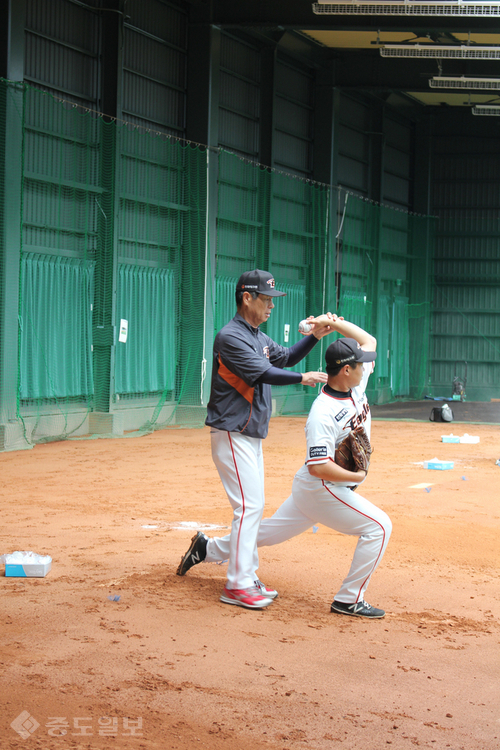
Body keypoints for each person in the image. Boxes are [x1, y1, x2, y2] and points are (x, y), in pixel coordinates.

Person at [177, 316, 392, 619]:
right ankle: (349, 599)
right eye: (361, 363)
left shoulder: (356, 386)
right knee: (379, 527)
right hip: (321, 488)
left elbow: (369, 341)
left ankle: (207, 548)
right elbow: (319, 467)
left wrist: (331, 320)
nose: (367, 365)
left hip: (311, 489)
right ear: (346, 370)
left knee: (263, 533)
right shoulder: (323, 412)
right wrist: (357, 475)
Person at [177, 269, 335, 610]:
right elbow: (264, 373)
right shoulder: (231, 337)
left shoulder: (258, 338)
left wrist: (315, 337)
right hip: (232, 433)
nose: (271, 307)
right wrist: (302, 378)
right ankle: (237, 584)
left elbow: (286, 357)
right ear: (246, 297)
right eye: (266, 299)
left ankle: (243, 574)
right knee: (248, 508)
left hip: (249, 435)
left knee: (253, 506)